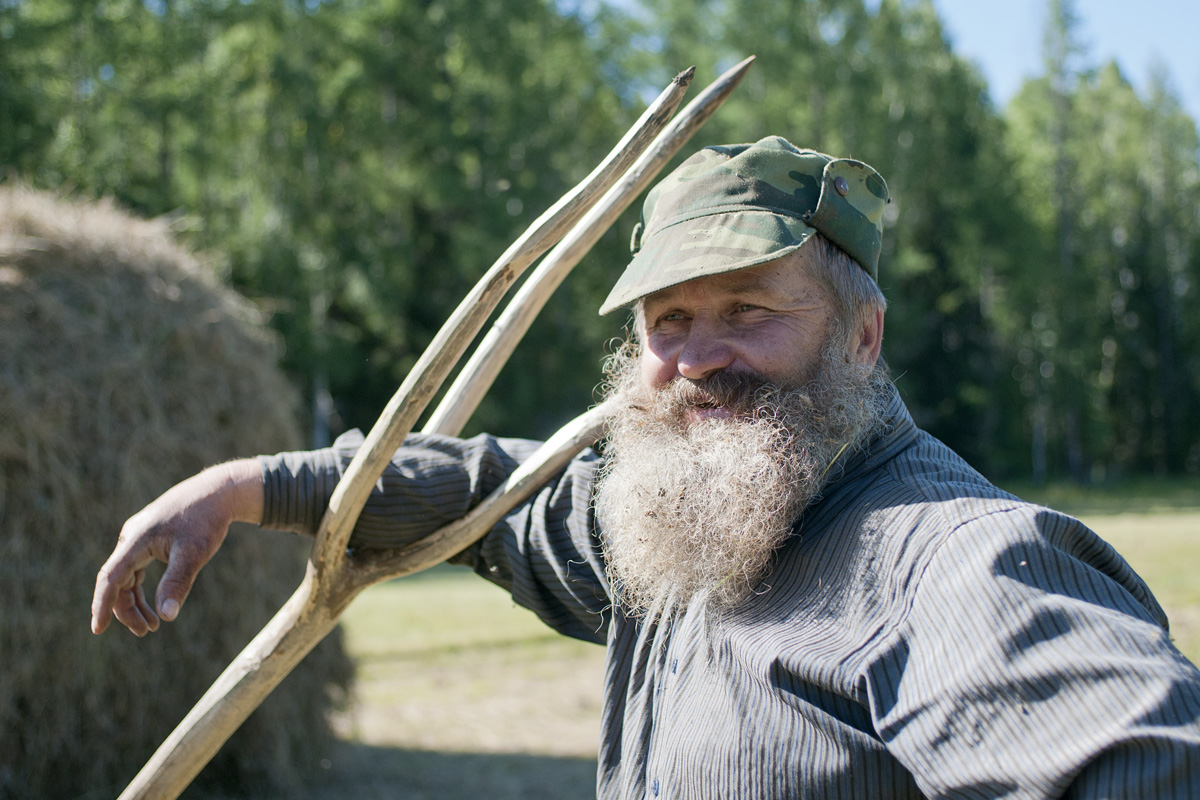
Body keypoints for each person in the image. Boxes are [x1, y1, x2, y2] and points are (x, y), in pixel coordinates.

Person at [92, 136, 1200, 798]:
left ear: (862, 335)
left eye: (751, 310)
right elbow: (492, 490)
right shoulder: (673, 526)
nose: (697, 354)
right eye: (670, 318)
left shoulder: (957, 565)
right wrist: (252, 485)